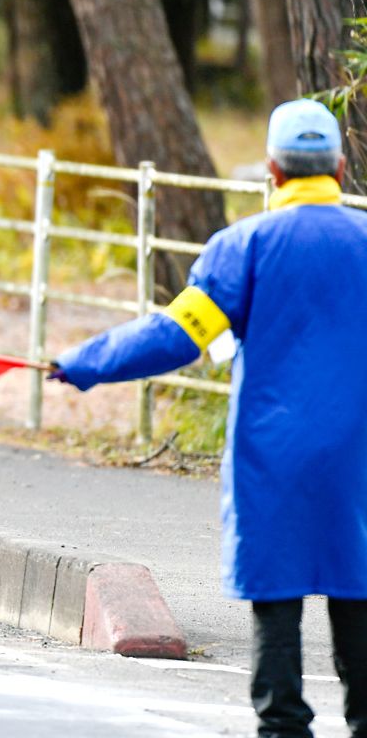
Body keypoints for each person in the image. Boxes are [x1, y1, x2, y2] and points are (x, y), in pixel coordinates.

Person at [50, 99, 366, 738]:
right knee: (357, 589)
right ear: (338, 166)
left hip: (271, 453)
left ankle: (283, 725)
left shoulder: (243, 247)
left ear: (272, 171)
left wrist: (85, 362)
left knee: (276, 596)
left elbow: (175, 336)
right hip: (358, 454)